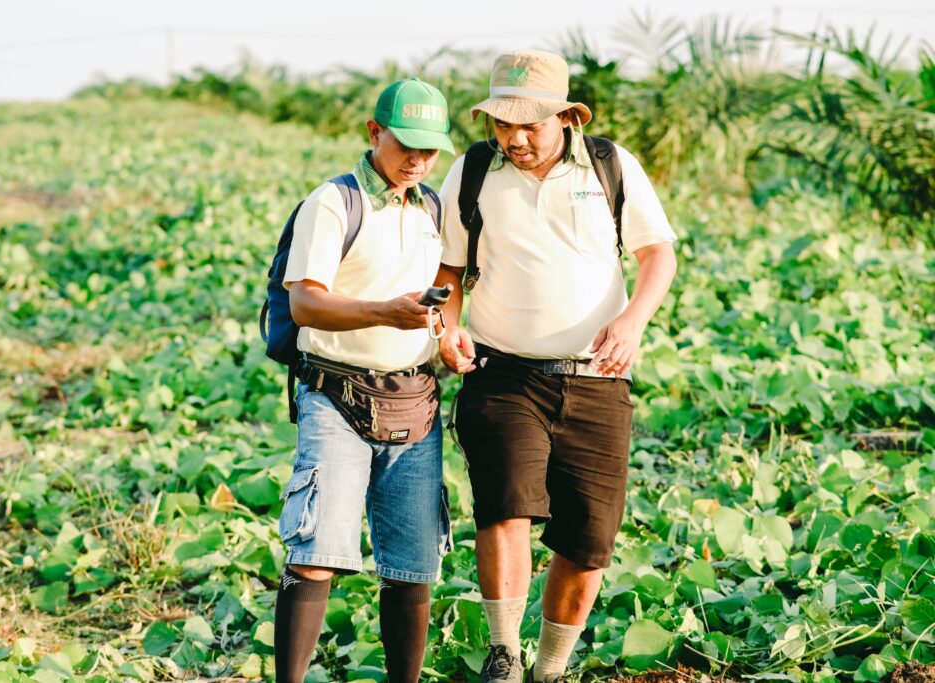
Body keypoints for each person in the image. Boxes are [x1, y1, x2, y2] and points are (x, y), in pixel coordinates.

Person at [434, 50, 679, 682]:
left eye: (529, 126)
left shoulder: (609, 166)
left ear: (566, 116)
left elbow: (657, 256)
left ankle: (549, 669)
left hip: (598, 377)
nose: (513, 139)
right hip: (502, 369)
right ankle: (503, 654)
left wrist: (632, 322)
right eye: (501, 125)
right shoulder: (471, 170)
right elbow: (449, 271)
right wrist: (448, 327)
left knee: (589, 539)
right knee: (506, 503)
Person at [273, 77, 456, 683]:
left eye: (429, 151)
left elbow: (439, 300)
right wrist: (385, 310)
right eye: (406, 145)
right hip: (335, 394)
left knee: (413, 564)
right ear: (374, 133)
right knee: (316, 553)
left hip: (414, 397)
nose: (418, 161)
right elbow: (306, 304)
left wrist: (449, 337)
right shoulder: (334, 201)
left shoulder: (431, 207)